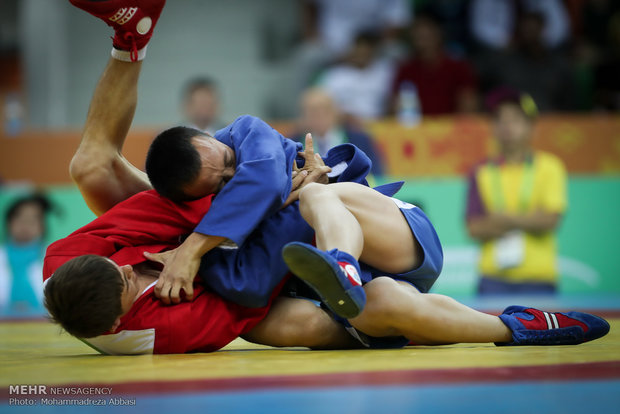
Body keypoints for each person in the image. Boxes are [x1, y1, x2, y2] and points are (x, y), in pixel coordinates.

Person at [44, 0, 608, 355]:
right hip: (306, 276)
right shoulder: (155, 332)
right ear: (117, 319)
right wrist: (252, 217)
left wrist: (197, 245)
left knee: (316, 191)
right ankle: (520, 327)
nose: (126, 264)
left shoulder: (240, 138)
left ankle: (130, 36)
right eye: (127, 281)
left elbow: (249, 174)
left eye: (115, 263)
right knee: (337, 313)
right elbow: (243, 294)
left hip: (386, 237)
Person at [466, 88, 567, 295]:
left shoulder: (550, 167)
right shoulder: (481, 171)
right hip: (492, 279)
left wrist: (501, 219)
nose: (507, 126)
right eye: (500, 120)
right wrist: (530, 219)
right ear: (492, 127)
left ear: (532, 127)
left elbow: (550, 220)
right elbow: (474, 228)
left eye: (515, 119)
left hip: (539, 278)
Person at [390, 13, 478, 115]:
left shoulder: (458, 67)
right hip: (415, 128)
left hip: (451, 126)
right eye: (417, 32)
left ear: (439, 32)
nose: (421, 36)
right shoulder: (405, 69)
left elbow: (469, 104)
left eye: (426, 31)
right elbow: (396, 107)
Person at [294, 88, 384, 176]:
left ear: (335, 112)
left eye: (325, 110)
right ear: (303, 116)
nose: (319, 116)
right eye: (313, 112)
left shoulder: (359, 141)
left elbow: (376, 175)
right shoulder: (294, 146)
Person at [0, 194, 52, 315]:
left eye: (32, 220)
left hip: (44, 326)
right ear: (9, 223)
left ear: (42, 226)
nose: (25, 225)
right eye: (20, 219)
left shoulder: (52, 256)